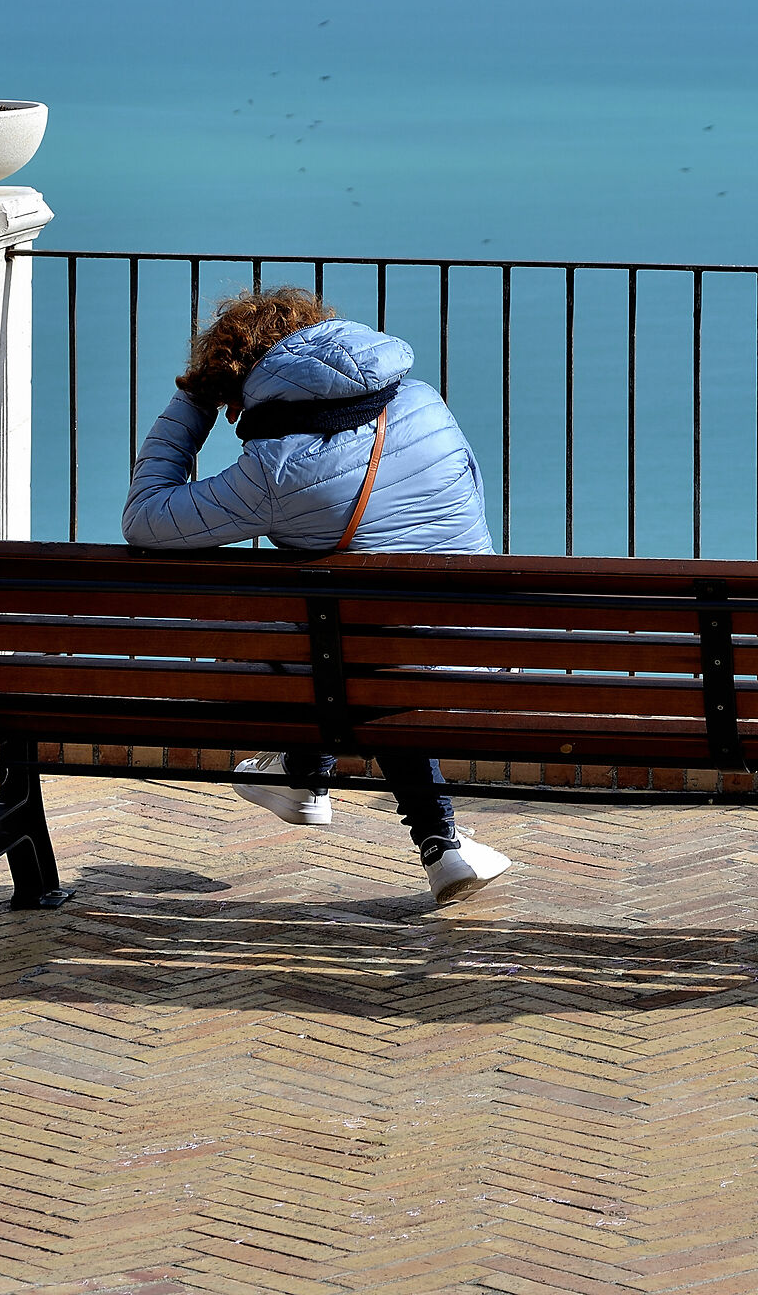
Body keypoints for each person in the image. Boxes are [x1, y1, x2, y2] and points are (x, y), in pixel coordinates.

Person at [121, 286, 511, 903]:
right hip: (464, 644)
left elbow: (145, 519)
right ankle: (439, 846)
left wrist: (191, 403)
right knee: (365, 641)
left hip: (351, 656)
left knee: (334, 638)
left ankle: (305, 773)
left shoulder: (273, 471)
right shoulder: (421, 400)